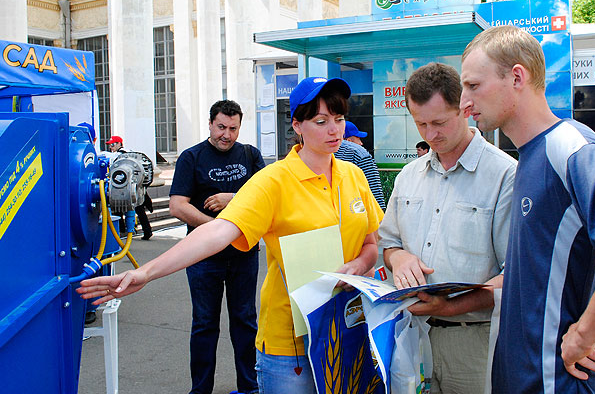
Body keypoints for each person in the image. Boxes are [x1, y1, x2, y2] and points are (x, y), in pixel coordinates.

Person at [77, 76, 383, 394]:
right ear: (297, 125)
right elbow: (218, 231)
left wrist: (359, 266)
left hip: (347, 330)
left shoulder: (354, 176)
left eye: (339, 119)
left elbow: (370, 244)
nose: (334, 130)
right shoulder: (274, 181)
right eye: (321, 121)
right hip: (289, 343)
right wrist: (146, 272)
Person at [460, 25, 595, 393]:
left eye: (473, 86)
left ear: (517, 77)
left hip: (560, 383)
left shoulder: (568, 146)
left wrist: (585, 333)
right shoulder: (529, 157)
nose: (465, 102)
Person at [378, 62, 516, 393]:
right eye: (420, 124)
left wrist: (451, 306)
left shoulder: (505, 176)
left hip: (473, 343)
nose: (430, 135)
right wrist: (399, 259)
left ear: (465, 109)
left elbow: (516, 275)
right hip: (412, 336)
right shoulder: (409, 175)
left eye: (439, 122)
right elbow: (388, 242)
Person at [168, 100, 265, 394]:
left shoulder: (250, 155)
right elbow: (177, 205)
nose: (227, 134)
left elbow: (264, 198)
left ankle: (249, 388)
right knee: (205, 325)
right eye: (221, 127)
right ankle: (200, 390)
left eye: (233, 128)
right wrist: (214, 231)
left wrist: (231, 198)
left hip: (244, 254)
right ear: (210, 123)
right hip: (203, 256)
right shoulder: (191, 157)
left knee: (245, 323)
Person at [105, 135, 154, 241]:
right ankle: (146, 230)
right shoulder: (131, 153)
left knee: (120, 208)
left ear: (119, 144)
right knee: (139, 208)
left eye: (113, 144)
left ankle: (123, 231)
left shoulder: (118, 156)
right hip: (137, 185)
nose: (111, 147)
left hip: (124, 186)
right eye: (110, 145)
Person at [334, 121, 386, 210]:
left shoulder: (313, 152)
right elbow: (375, 194)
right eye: (358, 139)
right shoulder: (358, 153)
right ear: (348, 140)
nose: (361, 143)